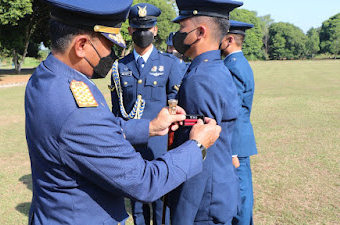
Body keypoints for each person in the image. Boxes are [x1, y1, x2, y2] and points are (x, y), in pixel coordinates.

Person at [25, 0, 222, 224]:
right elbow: (143, 181)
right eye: (108, 45)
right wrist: (197, 147)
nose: (112, 54)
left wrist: (149, 127)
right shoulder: (79, 108)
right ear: (81, 45)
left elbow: (98, 131)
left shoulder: (45, 76)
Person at [167, 0, 243, 224]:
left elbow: (201, 154)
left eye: (182, 28)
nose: (178, 34)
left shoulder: (200, 78)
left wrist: (183, 214)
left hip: (202, 204)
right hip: (217, 192)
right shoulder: (215, 69)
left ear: (200, 32)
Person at [110, 3, 184, 225]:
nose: (142, 34)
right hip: (132, 148)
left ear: (155, 30)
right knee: (138, 206)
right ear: (130, 30)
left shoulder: (170, 64)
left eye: (147, 29)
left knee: (162, 205)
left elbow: (176, 105)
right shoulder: (119, 66)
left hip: (161, 147)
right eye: (137, 29)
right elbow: (117, 112)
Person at [220, 20, 258, 225]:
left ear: (230, 39)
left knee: (240, 196)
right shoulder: (237, 63)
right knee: (241, 191)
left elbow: (233, 112)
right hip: (239, 139)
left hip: (235, 142)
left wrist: (232, 151)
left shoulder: (232, 67)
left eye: (221, 37)